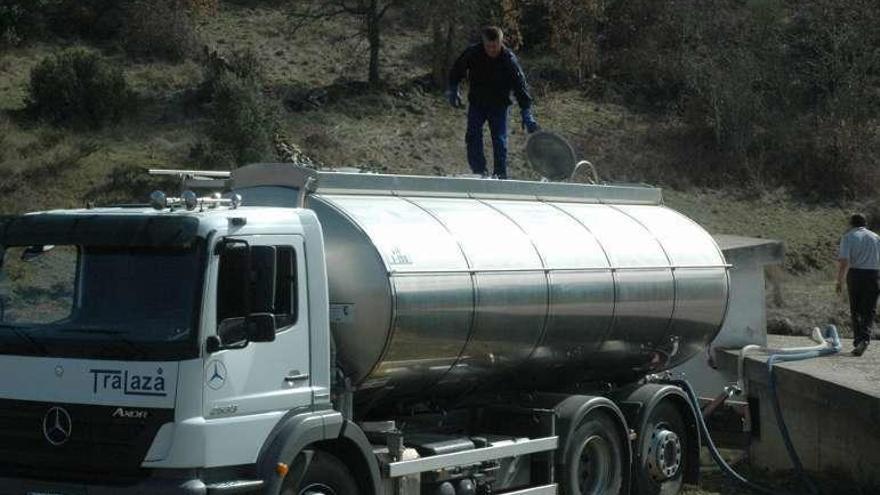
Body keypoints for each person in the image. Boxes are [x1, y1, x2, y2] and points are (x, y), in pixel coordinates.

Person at [447, 26, 539, 179]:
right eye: (488, 46)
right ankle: (479, 171)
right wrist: (453, 89)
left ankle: (500, 174)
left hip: (499, 105)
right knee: (473, 136)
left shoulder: (508, 60)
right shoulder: (473, 53)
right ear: (483, 43)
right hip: (477, 102)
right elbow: (456, 70)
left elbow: (520, 88)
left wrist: (526, 114)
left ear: (501, 42)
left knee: (499, 140)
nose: (492, 50)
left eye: (495, 46)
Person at [836, 213, 880, 356]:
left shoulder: (848, 237)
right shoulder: (876, 237)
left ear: (851, 223)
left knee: (856, 309)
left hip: (855, 274)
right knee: (869, 309)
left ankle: (858, 340)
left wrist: (839, 280)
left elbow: (844, 262)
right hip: (874, 274)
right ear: (865, 223)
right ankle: (865, 339)